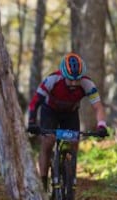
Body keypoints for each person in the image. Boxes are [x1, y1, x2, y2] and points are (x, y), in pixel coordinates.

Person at [27, 52, 108, 191]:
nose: (74, 83)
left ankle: (70, 176)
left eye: (77, 80)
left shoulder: (87, 83)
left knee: (74, 141)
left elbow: (98, 107)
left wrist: (101, 125)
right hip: (50, 111)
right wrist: (32, 122)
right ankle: (43, 181)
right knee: (48, 142)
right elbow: (34, 103)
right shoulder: (52, 80)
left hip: (70, 113)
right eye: (70, 80)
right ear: (63, 75)